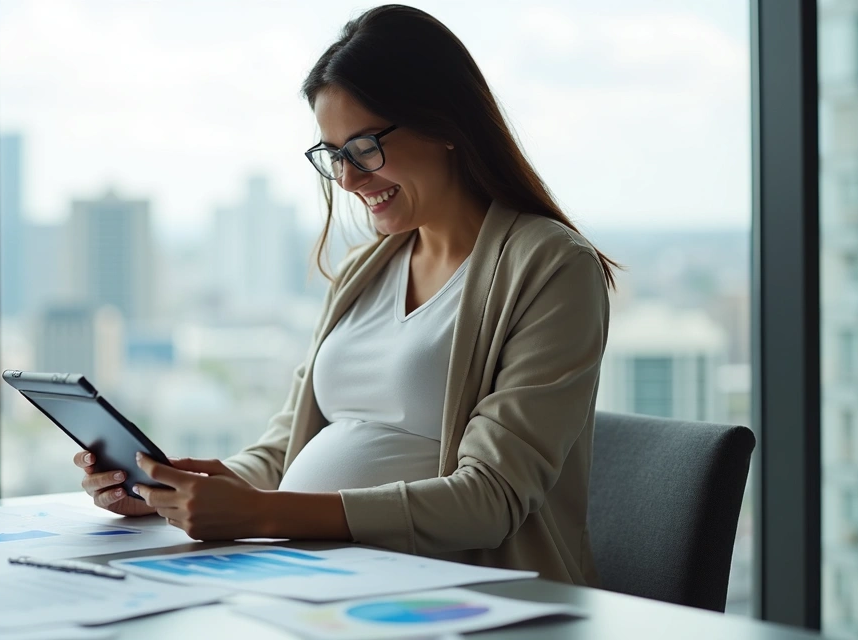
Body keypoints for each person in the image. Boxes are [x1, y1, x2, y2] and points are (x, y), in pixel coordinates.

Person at [72, 4, 615, 586]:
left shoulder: (551, 268)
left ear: (445, 126)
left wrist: (259, 512)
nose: (350, 180)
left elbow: (488, 500)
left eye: (364, 148)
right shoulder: (366, 270)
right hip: (318, 582)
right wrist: (185, 489)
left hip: (457, 597)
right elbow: (286, 450)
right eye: (334, 156)